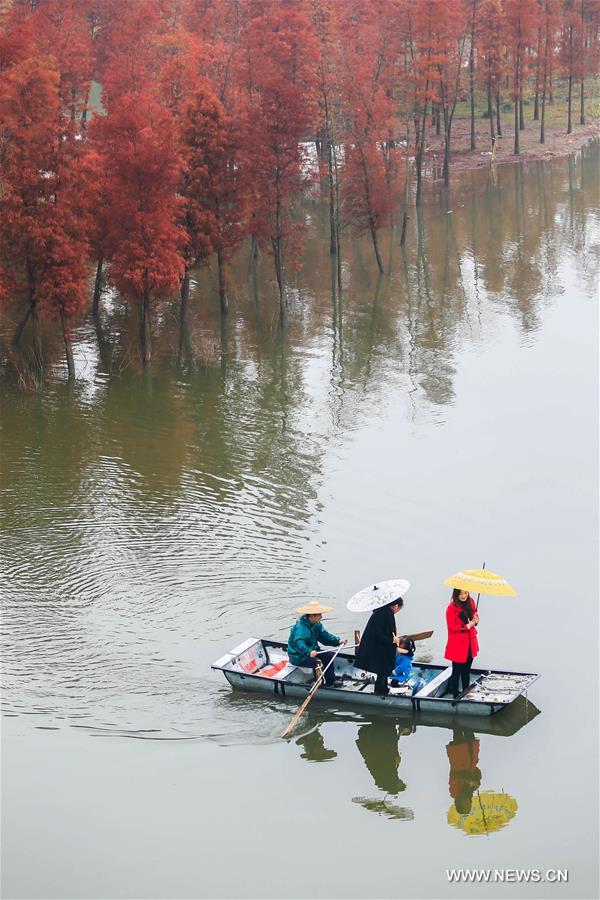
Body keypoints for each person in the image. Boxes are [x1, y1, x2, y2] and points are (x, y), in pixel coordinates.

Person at [287, 601, 347, 687]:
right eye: (319, 615)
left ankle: (330, 681)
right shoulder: (301, 627)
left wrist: (337, 641)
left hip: (313, 651)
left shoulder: (316, 624)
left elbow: (324, 637)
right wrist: (309, 652)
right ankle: (320, 683)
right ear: (312, 616)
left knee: (329, 655)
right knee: (317, 662)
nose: (321, 616)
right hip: (299, 656)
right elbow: (299, 644)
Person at [354, 597, 404, 695]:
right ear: (396, 606)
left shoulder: (382, 612)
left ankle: (383, 689)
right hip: (378, 647)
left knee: (383, 671)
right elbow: (377, 634)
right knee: (383, 670)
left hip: (378, 646)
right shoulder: (385, 614)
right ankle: (381, 692)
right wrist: (392, 640)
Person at [444, 588, 479, 698]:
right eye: (461, 594)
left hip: (470, 642)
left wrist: (476, 620)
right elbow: (451, 627)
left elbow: (475, 615)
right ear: (456, 594)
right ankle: (455, 696)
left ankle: (466, 692)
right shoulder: (451, 608)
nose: (464, 596)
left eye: (465, 593)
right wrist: (467, 626)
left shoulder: (471, 601)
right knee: (457, 671)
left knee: (466, 670)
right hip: (458, 644)